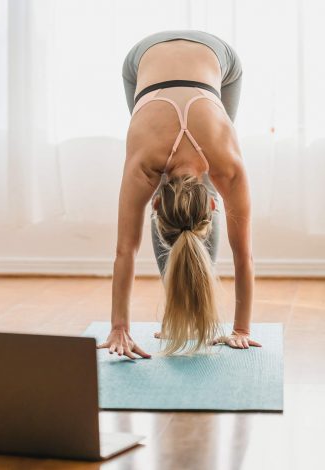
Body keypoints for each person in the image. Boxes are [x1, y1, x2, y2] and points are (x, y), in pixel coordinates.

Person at [97, 30, 261, 358]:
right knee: (181, 180)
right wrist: (242, 330)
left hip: (218, 60)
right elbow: (245, 256)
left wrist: (120, 328)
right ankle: (180, 314)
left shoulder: (151, 166)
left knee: (192, 179)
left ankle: (196, 311)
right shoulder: (224, 166)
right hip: (142, 61)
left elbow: (123, 252)